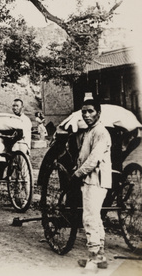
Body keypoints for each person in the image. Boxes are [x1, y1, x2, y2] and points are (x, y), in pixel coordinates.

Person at [72, 95, 111, 269]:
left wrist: (77, 174)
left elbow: (94, 159)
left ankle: (94, 256)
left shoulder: (101, 132)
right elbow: (84, 155)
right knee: (95, 217)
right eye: (84, 112)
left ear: (98, 113)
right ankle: (99, 256)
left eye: (90, 111)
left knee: (89, 217)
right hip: (90, 180)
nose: (86, 115)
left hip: (96, 180)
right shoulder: (89, 132)